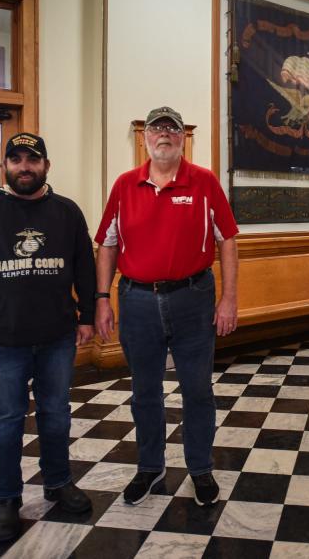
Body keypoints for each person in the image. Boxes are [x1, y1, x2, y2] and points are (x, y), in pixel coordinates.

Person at [0, 132, 96, 543]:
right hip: (1, 338)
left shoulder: (67, 212)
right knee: (7, 419)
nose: (24, 166)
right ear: (6, 165)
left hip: (57, 335)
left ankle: (58, 482)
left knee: (56, 413)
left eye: (32, 159)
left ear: (46, 165)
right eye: (16, 159)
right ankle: (7, 498)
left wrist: (88, 316)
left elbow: (85, 266)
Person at [94, 106, 239, 507]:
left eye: (171, 129)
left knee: (197, 390)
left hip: (193, 298)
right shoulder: (124, 185)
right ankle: (149, 466)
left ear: (182, 138)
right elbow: (106, 243)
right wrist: (102, 298)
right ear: (144, 138)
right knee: (144, 392)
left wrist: (228, 298)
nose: (164, 135)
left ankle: (200, 468)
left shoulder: (205, 182)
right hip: (137, 300)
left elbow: (227, 239)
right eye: (156, 128)